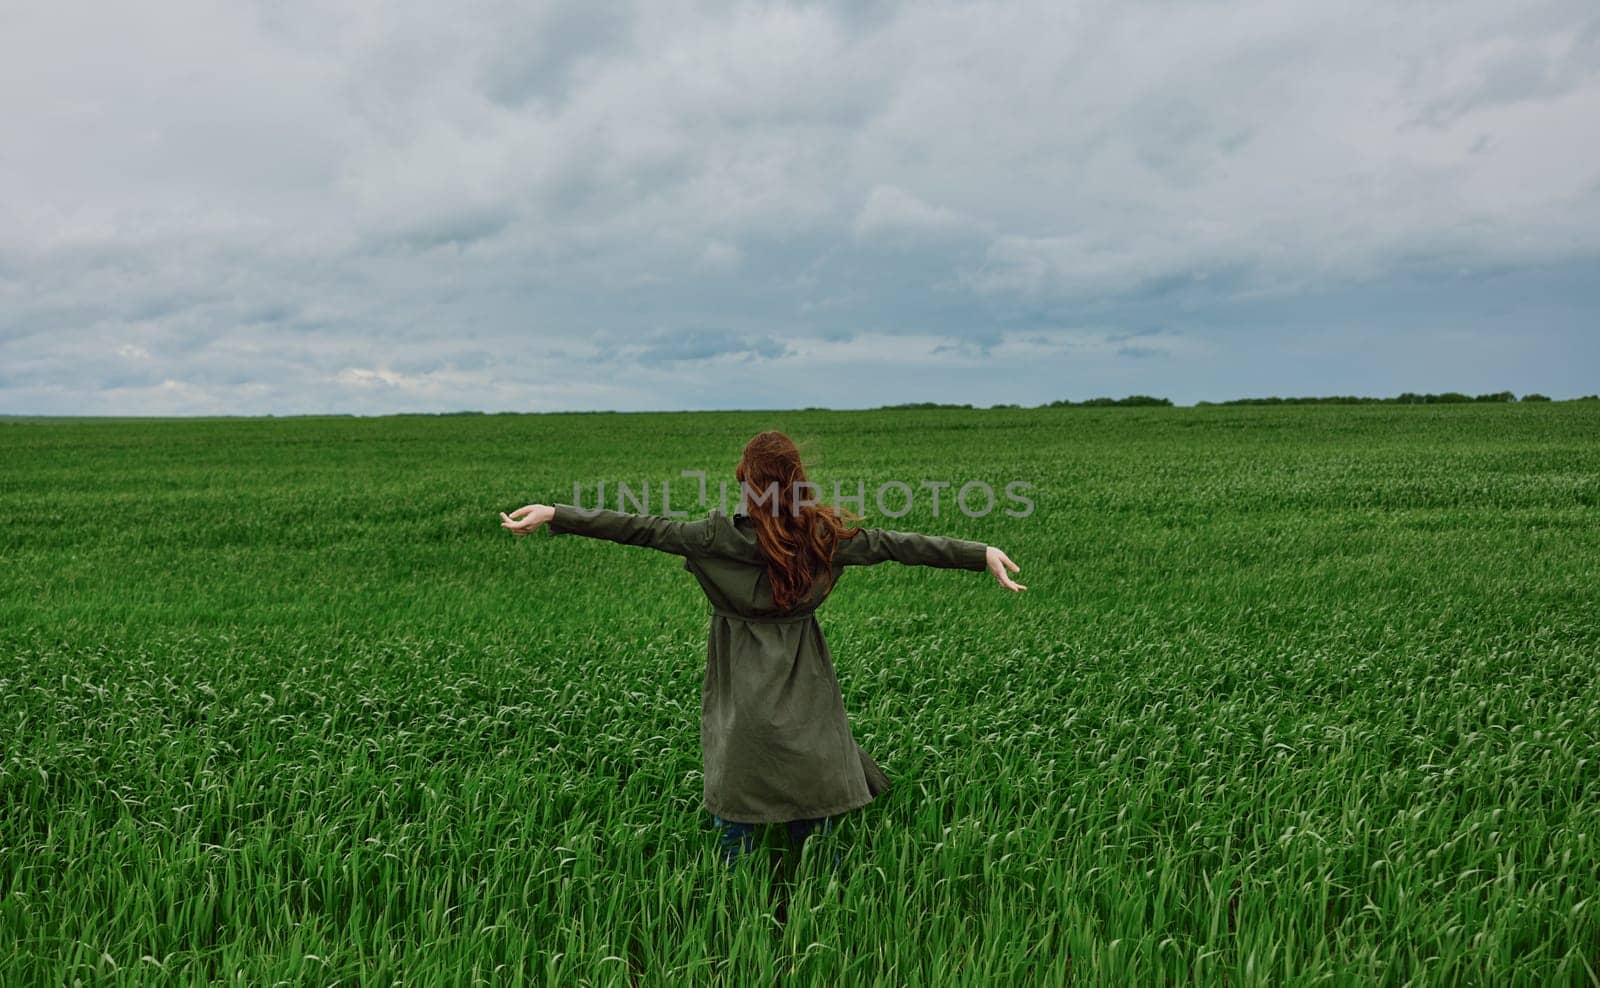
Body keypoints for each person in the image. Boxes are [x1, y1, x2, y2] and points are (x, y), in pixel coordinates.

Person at [498, 431, 1025, 872]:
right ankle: (826, 908)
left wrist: (555, 513)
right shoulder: (822, 536)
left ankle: (737, 905)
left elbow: (640, 528)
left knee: (736, 800)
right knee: (815, 801)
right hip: (804, 674)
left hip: (739, 675)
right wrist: (979, 554)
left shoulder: (714, 536)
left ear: (746, 482)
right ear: (798, 480)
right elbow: (896, 543)